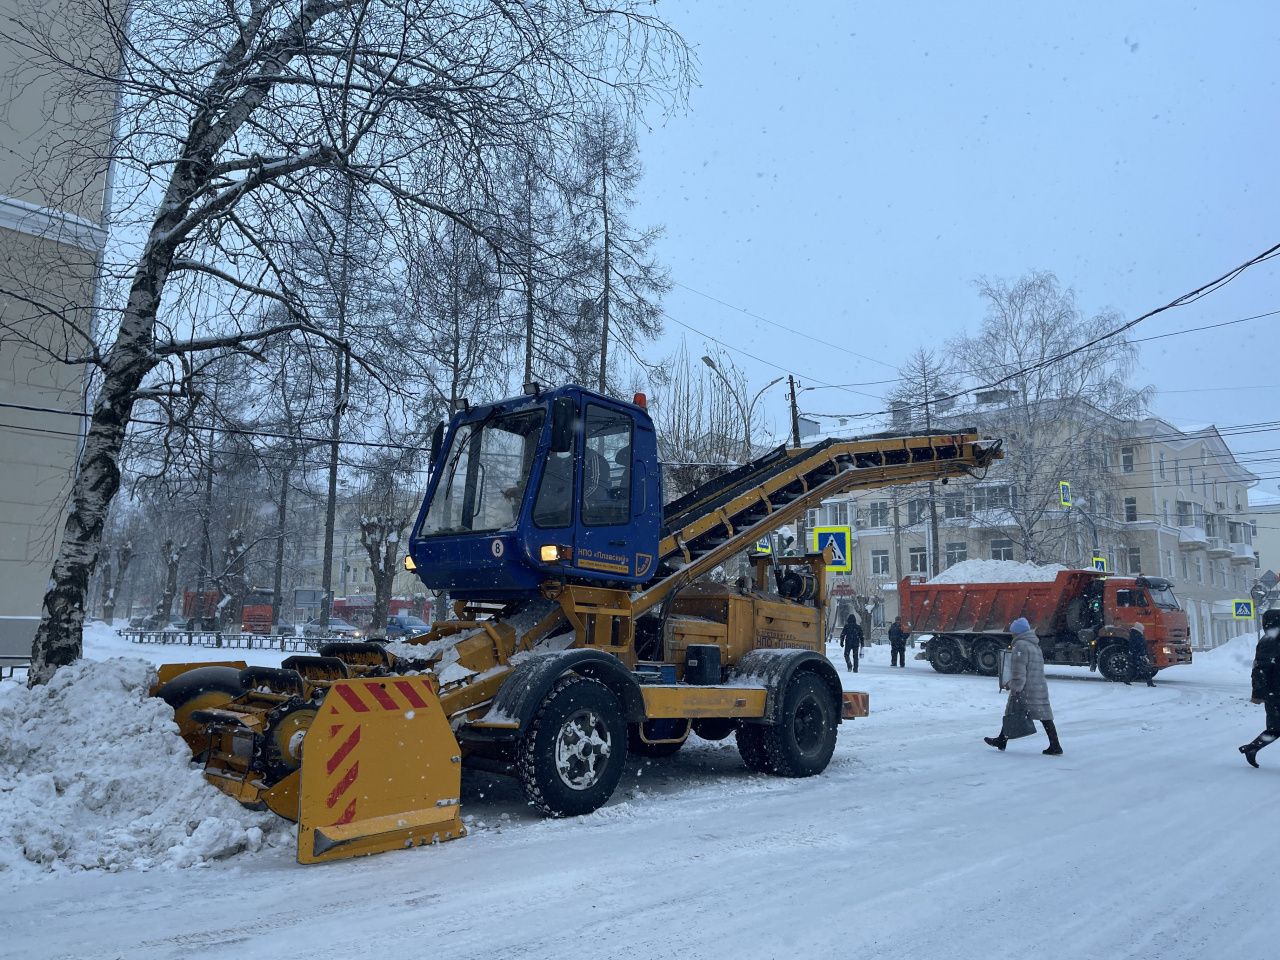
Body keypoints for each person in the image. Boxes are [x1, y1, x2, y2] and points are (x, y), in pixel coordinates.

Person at [985, 616, 1063, 755]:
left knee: (1012, 712)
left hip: (1026, 689)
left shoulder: (1020, 646)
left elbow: (1019, 671)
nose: (1012, 634)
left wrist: (1015, 687)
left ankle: (1002, 740)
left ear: (1018, 632)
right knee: (1044, 716)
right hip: (1038, 686)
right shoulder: (1035, 646)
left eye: (1013, 632)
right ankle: (1055, 745)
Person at [1240, 608, 1280, 768]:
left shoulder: (1272, 639)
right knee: (1275, 728)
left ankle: (1252, 748)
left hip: (1275, 692)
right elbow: (1260, 670)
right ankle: (1252, 748)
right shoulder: (1270, 642)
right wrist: (1259, 694)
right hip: (1275, 693)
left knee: (1275, 729)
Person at [1123, 621, 1156, 687]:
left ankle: (1127, 680)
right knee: (1145, 669)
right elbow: (1140, 645)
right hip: (1138, 655)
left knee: (1134, 669)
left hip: (1135, 655)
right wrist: (1143, 654)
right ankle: (1150, 683)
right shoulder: (1137, 635)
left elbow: (1135, 646)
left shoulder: (1134, 634)